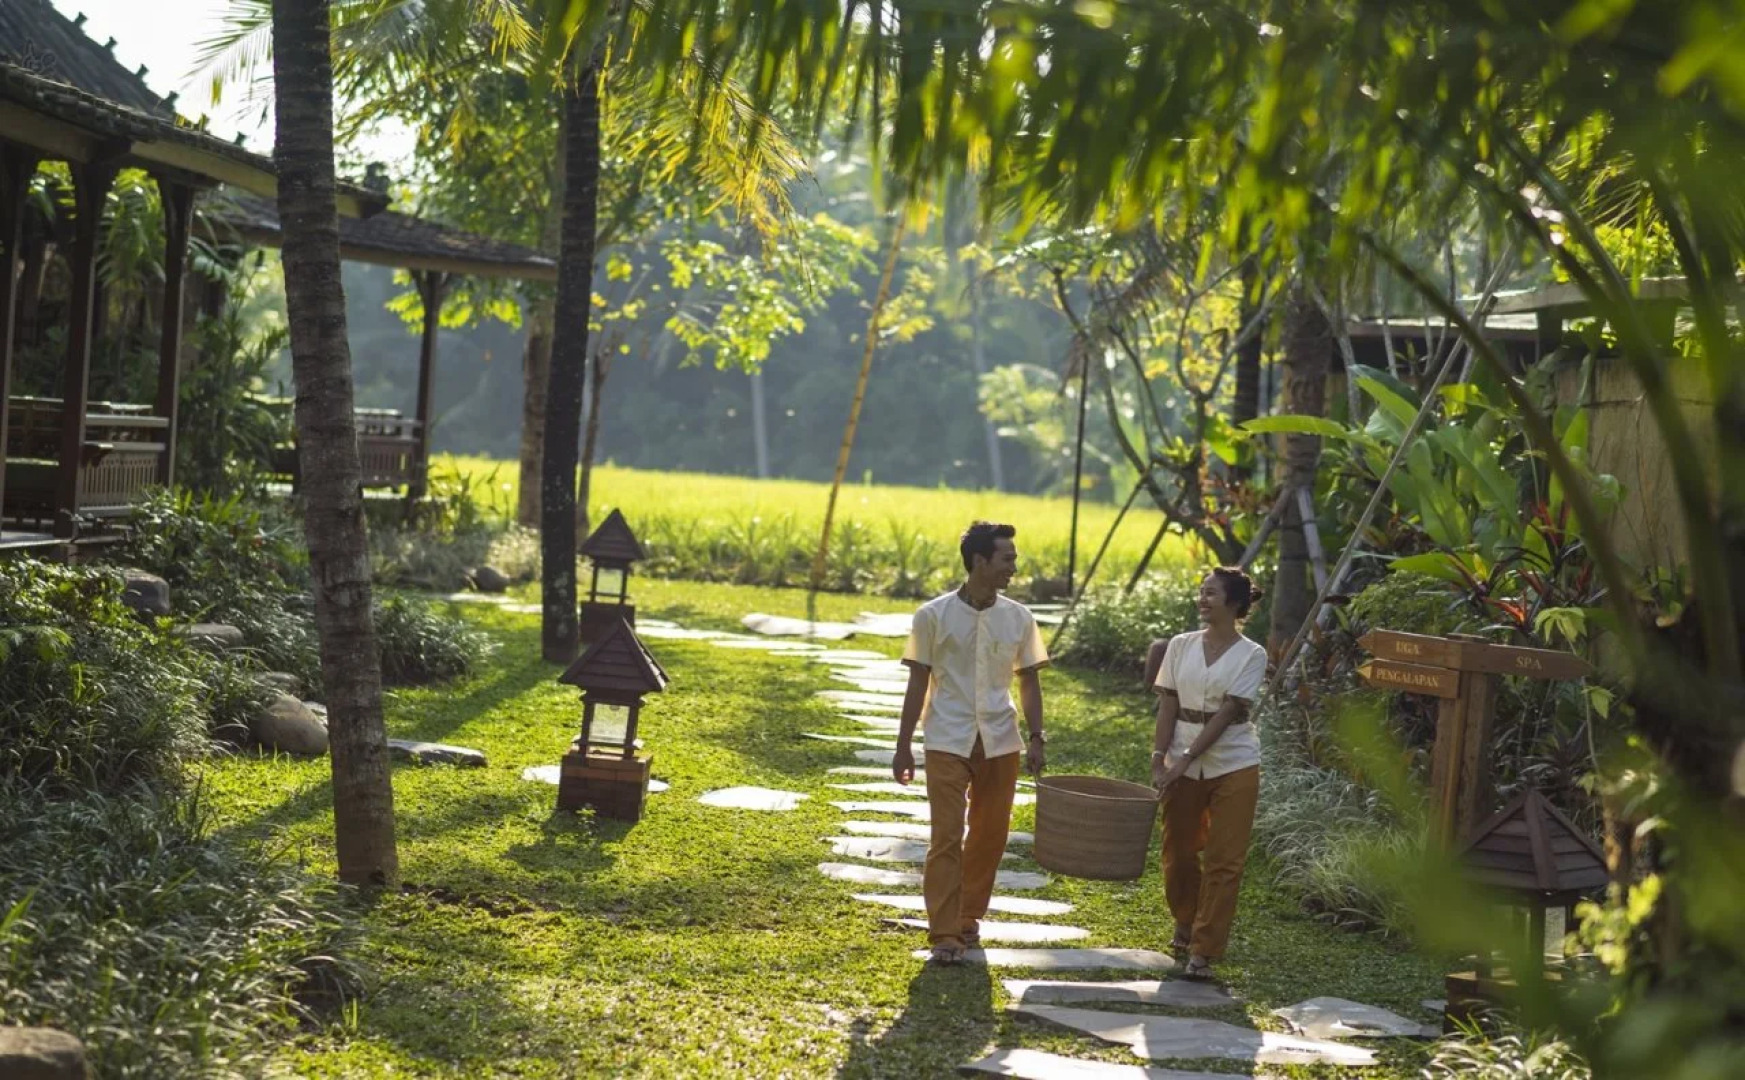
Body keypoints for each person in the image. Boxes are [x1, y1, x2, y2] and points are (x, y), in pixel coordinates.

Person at [894, 521, 1049, 965]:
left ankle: (967, 917)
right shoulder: (932, 616)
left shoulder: (1019, 617)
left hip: (1000, 738)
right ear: (980, 561)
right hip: (946, 736)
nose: (1013, 569)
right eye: (1007, 560)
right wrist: (903, 745)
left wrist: (1037, 737)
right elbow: (917, 684)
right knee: (945, 835)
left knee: (990, 834)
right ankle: (944, 933)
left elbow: (1029, 682)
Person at [1150, 566, 1268, 980]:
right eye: (1201, 592)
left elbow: (1228, 713)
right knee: (1178, 851)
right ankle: (1185, 919)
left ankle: (1204, 948)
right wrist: (1159, 754)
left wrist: (1186, 757)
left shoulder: (1252, 654)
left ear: (1234, 603)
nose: (1202, 599)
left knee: (1225, 860)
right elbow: (1167, 704)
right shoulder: (1180, 646)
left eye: (1212, 594)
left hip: (1233, 760)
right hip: (1180, 756)